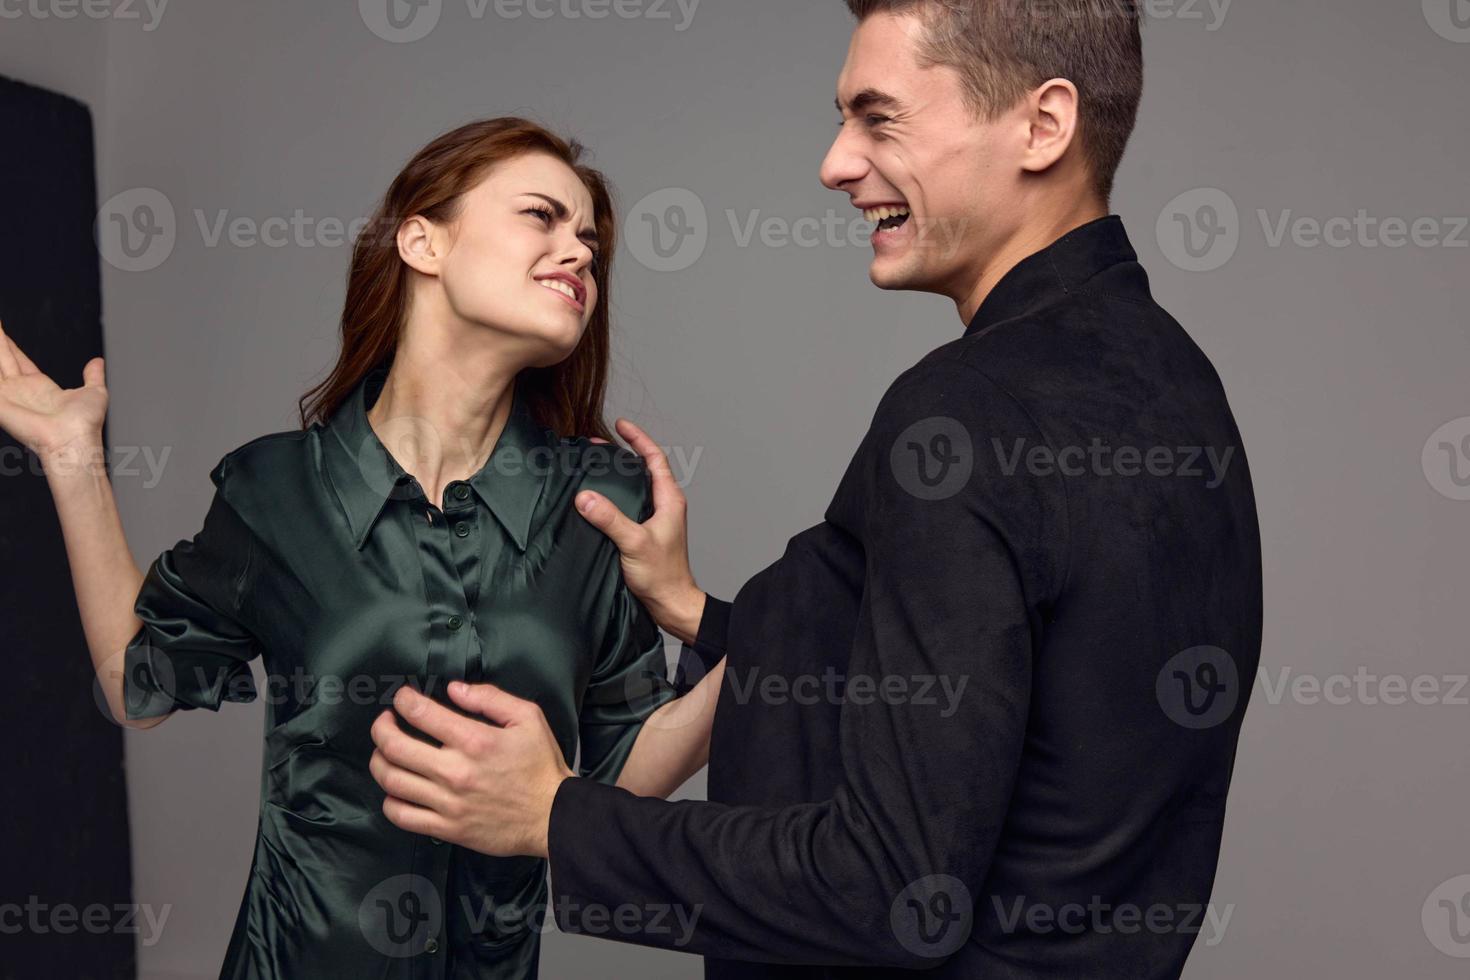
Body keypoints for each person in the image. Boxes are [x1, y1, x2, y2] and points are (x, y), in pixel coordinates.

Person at [368, 3, 1264, 978]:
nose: (835, 163)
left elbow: (883, 889)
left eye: (879, 119)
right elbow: (997, 675)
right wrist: (699, 611)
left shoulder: (966, 413)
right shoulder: (1179, 382)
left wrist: (558, 815)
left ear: (1042, 125)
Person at [0, 117, 724, 979]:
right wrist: (72, 459)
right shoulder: (276, 493)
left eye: (591, 244)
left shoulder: (605, 506)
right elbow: (140, 683)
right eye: (543, 216)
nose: (579, 254)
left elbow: (614, 786)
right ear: (422, 239)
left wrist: (784, 632)